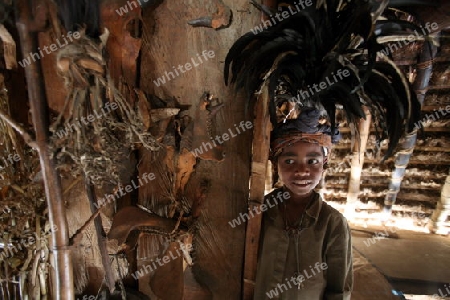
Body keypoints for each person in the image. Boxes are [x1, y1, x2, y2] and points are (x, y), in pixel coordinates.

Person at [254, 108, 353, 300]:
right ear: (276, 165)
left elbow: (339, 289)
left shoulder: (333, 223)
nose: (301, 171)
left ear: (324, 164)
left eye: (312, 161)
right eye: (289, 160)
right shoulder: (259, 212)